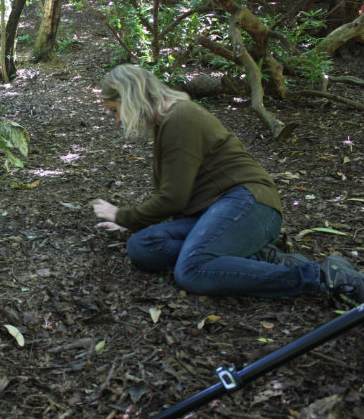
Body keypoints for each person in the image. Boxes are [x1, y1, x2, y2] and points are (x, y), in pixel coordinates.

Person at [91, 64, 364, 306]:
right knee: (142, 246)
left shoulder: (180, 117)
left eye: (116, 111)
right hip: (216, 211)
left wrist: (122, 215)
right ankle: (257, 254)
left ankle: (319, 277)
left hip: (249, 203)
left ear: (131, 98)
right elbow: (174, 196)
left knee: (192, 271)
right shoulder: (167, 123)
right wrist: (132, 223)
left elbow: (172, 199)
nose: (117, 120)